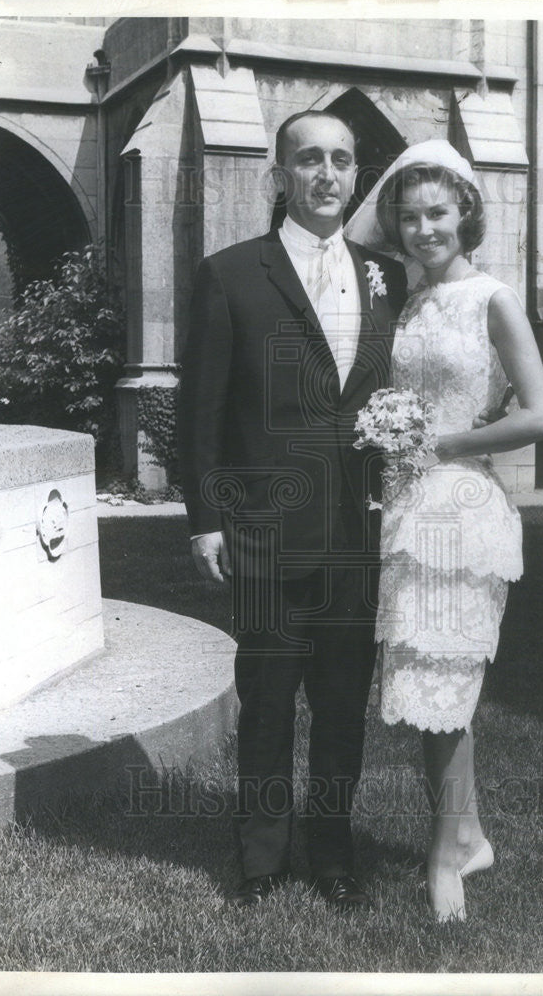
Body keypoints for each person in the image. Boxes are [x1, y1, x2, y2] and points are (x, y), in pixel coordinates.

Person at [177, 111, 408, 909]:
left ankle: (333, 851)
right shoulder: (232, 272)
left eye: (341, 161)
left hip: (360, 531)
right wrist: (205, 518)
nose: (325, 175)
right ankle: (261, 859)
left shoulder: (387, 276)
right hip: (265, 528)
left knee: (344, 704)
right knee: (269, 699)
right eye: (308, 159)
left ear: (354, 176)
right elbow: (202, 407)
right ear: (280, 174)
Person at [344, 140, 543, 921]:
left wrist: (443, 443)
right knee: (417, 680)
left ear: (466, 212)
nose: (423, 228)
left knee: (448, 682)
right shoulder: (403, 299)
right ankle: (466, 834)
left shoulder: (491, 299)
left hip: (463, 508)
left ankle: (444, 860)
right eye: (409, 216)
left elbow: (537, 414)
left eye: (437, 212)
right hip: (404, 508)